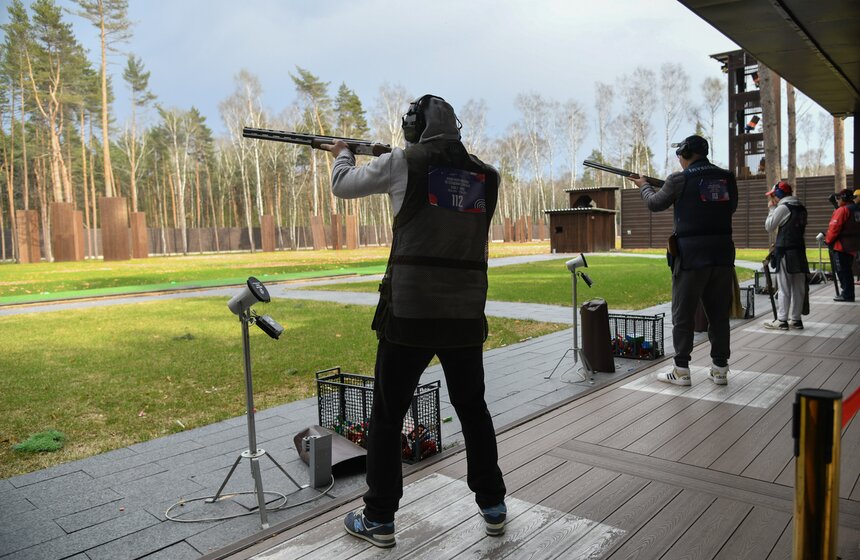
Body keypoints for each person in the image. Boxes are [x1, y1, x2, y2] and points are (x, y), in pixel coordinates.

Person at [321, 95, 507, 548]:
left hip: (410, 311)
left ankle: (379, 518)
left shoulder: (403, 162)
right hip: (464, 312)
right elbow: (444, 202)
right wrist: (395, 160)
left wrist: (342, 153)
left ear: (413, 127)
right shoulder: (488, 175)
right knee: (473, 410)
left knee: (387, 417)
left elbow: (343, 185)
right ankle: (493, 506)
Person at [628, 134, 738, 386]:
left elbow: (654, 203)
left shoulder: (678, 179)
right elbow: (730, 207)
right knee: (719, 316)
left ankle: (681, 370)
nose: (679, 158)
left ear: (686, 153)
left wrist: (643, 185)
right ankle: (720, 369)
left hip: (690, 257)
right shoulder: (727, 177)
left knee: (683, 315)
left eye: (680, 153)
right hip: (722, 255)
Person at [763, 181, 809, 330]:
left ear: (778, 194)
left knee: (784, 287)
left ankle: (782, 320)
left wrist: (772, 209)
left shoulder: (783, 208)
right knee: (798, 287)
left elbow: (769, 226)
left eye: (773, 195)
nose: (772, 199)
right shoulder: (801, 207)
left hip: (785, 251)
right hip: (799, 250)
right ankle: (796, 319)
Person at [825, 188, 860, 302]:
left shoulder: (842, 210)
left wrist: (828, 241)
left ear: (844, 198)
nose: (837, 200)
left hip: (841, 246)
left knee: (842, 271)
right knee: (847, 269)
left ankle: (847, 294)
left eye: (838, 198)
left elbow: (834, 228)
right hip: (853, 245)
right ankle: (848, 293)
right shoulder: (856, 209)